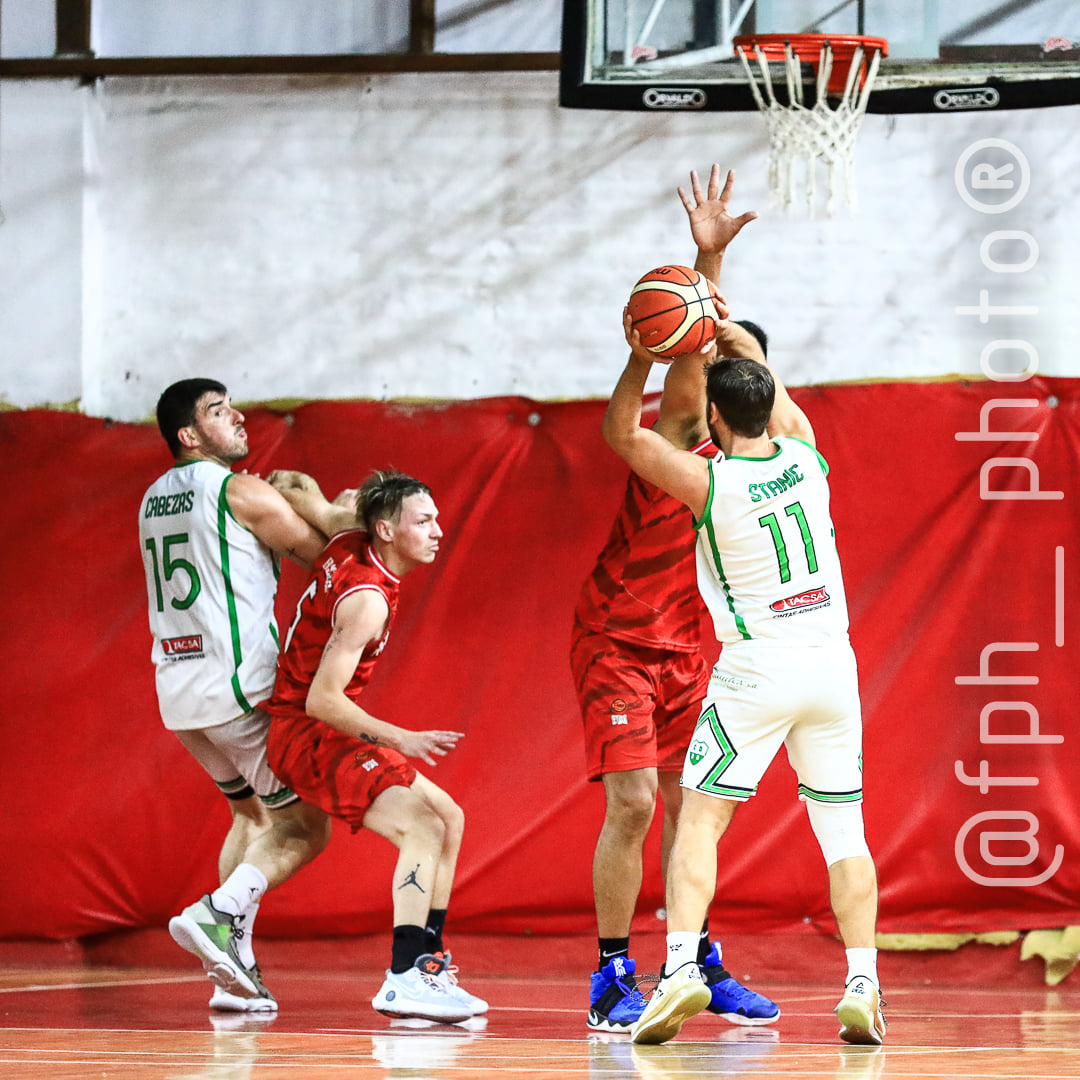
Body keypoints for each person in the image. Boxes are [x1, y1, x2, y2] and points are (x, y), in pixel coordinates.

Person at [600, 312, 883, 1047]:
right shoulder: (807, 455)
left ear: (715, 418)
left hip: (758, 668)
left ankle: (678, 970)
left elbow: (623, 434)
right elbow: (772, 394)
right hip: (832, 667)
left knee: (699, 820)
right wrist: (738, 338)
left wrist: (641, 356)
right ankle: (863, 982)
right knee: (844, 831)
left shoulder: (709, 482)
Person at [572, 166, 780, 1032]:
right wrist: (705, 266)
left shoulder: (777, 458)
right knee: (634, 804)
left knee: (694, 811)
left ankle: (690, 962)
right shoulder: (681, 443)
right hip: (619, 637)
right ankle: (610, 974)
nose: (723, 368)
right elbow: (687, 343)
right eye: (718, 358)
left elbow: (710, 341)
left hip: (692, 647)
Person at [263, 468, 487, 1024]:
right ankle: (404, 975)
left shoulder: (348, 531)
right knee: (423, 827)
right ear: (387, 530)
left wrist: (284, 484)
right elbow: (322, 699)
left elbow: (310, 499)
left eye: (436, 519)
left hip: (322, 729)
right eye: (424, 521)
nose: (438, 531)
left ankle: (428, 965)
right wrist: (401, 737)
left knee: (450, 817)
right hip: (307, 733)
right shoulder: (367, 600)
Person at [139, 378, 334, 1013]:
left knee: (250, 816)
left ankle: (231, 968)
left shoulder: (152, 499)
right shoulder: (235, 490)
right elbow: (322, 555)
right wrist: (320, 503)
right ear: (189, 435)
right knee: (306, 826)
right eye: (220, 412)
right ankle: (216, 915)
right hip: (238, 688)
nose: (239, 417)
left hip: (179, 693)